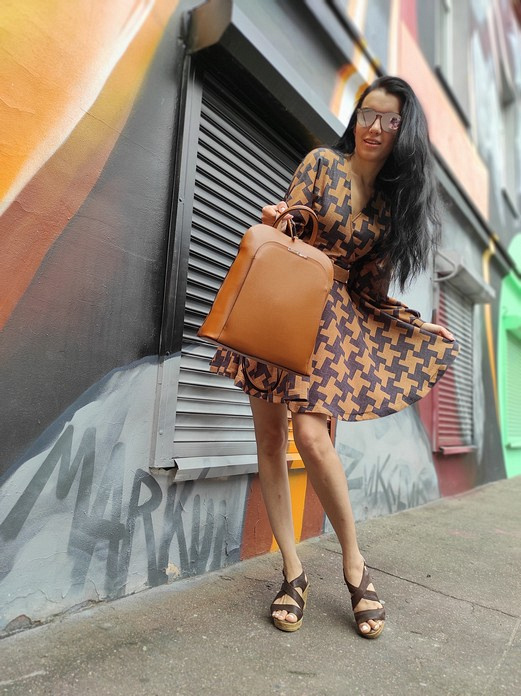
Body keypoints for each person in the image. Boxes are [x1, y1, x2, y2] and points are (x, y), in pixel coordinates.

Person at [209, 76, 459, 638]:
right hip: (284, 303)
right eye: (368, 113)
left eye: (390, 119)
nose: (375, 127)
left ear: (404, 130)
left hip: (332, 322)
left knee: (312, 435)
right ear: (356, 116)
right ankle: (292, 572)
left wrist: (415, 325)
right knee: (269, 439)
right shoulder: (322, 163)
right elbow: (298, 220)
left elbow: (370, 290)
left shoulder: (392, 207)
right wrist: (283, 218)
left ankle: (354, 564)